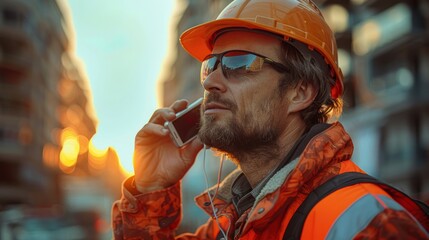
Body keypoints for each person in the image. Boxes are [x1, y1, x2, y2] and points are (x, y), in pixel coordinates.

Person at [111, 0, 429, 239]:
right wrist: (151, 187)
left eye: (239, 62)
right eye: (211, 65)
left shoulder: (365, 221)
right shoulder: (233, 222)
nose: (209, 83)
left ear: (300, 92)